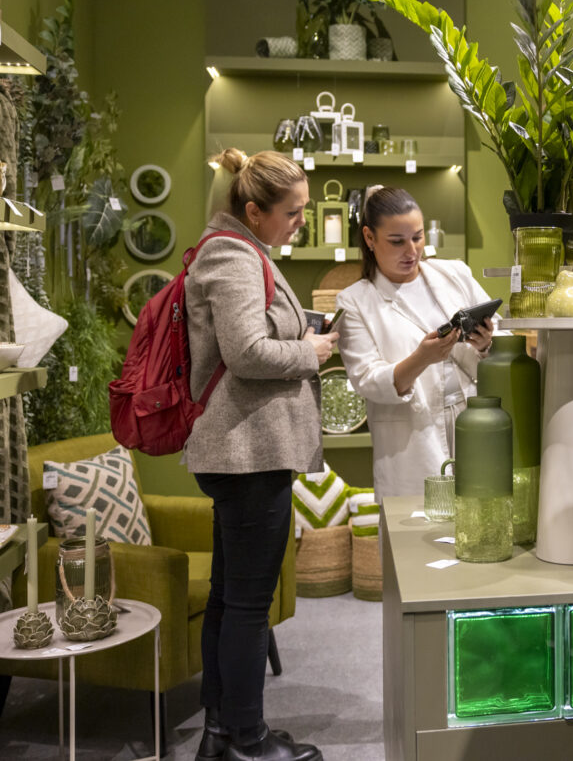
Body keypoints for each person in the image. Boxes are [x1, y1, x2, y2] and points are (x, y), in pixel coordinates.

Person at [185, 148, 339, 761]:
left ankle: (222, 734)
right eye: (293, 212)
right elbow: (246, 352)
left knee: (229, 598)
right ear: (254, 211)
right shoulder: (233, 255)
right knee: (248, 606)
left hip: (245, 452)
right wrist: (312, 351)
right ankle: (247, 740)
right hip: (246, 453)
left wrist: (300, 336)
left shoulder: (243, 251)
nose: (301, 221)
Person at [336, 186, 503, 496]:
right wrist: (422, 358)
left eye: (417, 237)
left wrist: (485, 343)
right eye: (397, 241)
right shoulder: (355, 301)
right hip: (413, 442)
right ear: (370, 238)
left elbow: (502, 337)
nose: (411, 251)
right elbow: (367, 380)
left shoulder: (454, 273)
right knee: (419, 521)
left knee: (481, 512)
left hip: (473, 421)